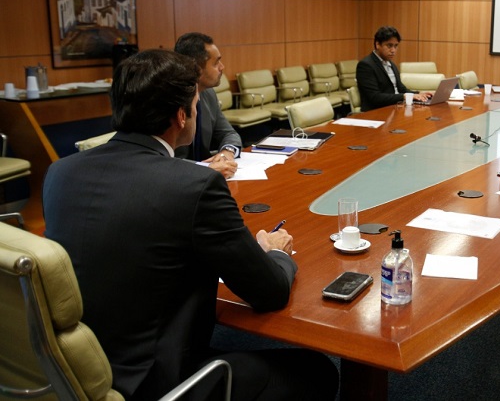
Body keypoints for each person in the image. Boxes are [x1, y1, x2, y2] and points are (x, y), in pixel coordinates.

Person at [43, 49, 338, 401]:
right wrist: (275, 254)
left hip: (67, 368)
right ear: (182, 116)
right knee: (317, 370)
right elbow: (269, 293)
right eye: (197, 106)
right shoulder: (193, 187)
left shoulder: (60, 172)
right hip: (153, 382)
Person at [174, 32, 240, 179]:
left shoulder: (208, 94)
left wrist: (226, 152)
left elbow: (228, 134)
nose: (222, 67)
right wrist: (205, 173)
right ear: (196, 68)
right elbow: (160, 160)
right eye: (216, 63)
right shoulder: (169, 100)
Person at [356, 26, 432, 111]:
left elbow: (401, 89)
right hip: (377, 112)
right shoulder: (366, 65)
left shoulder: (390, 63)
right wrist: (404, 96)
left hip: (395, 108)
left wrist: (419, 94)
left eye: (396, 46)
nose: (393, 50)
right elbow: (374, 97)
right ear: (377, 44)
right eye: (389, 46)